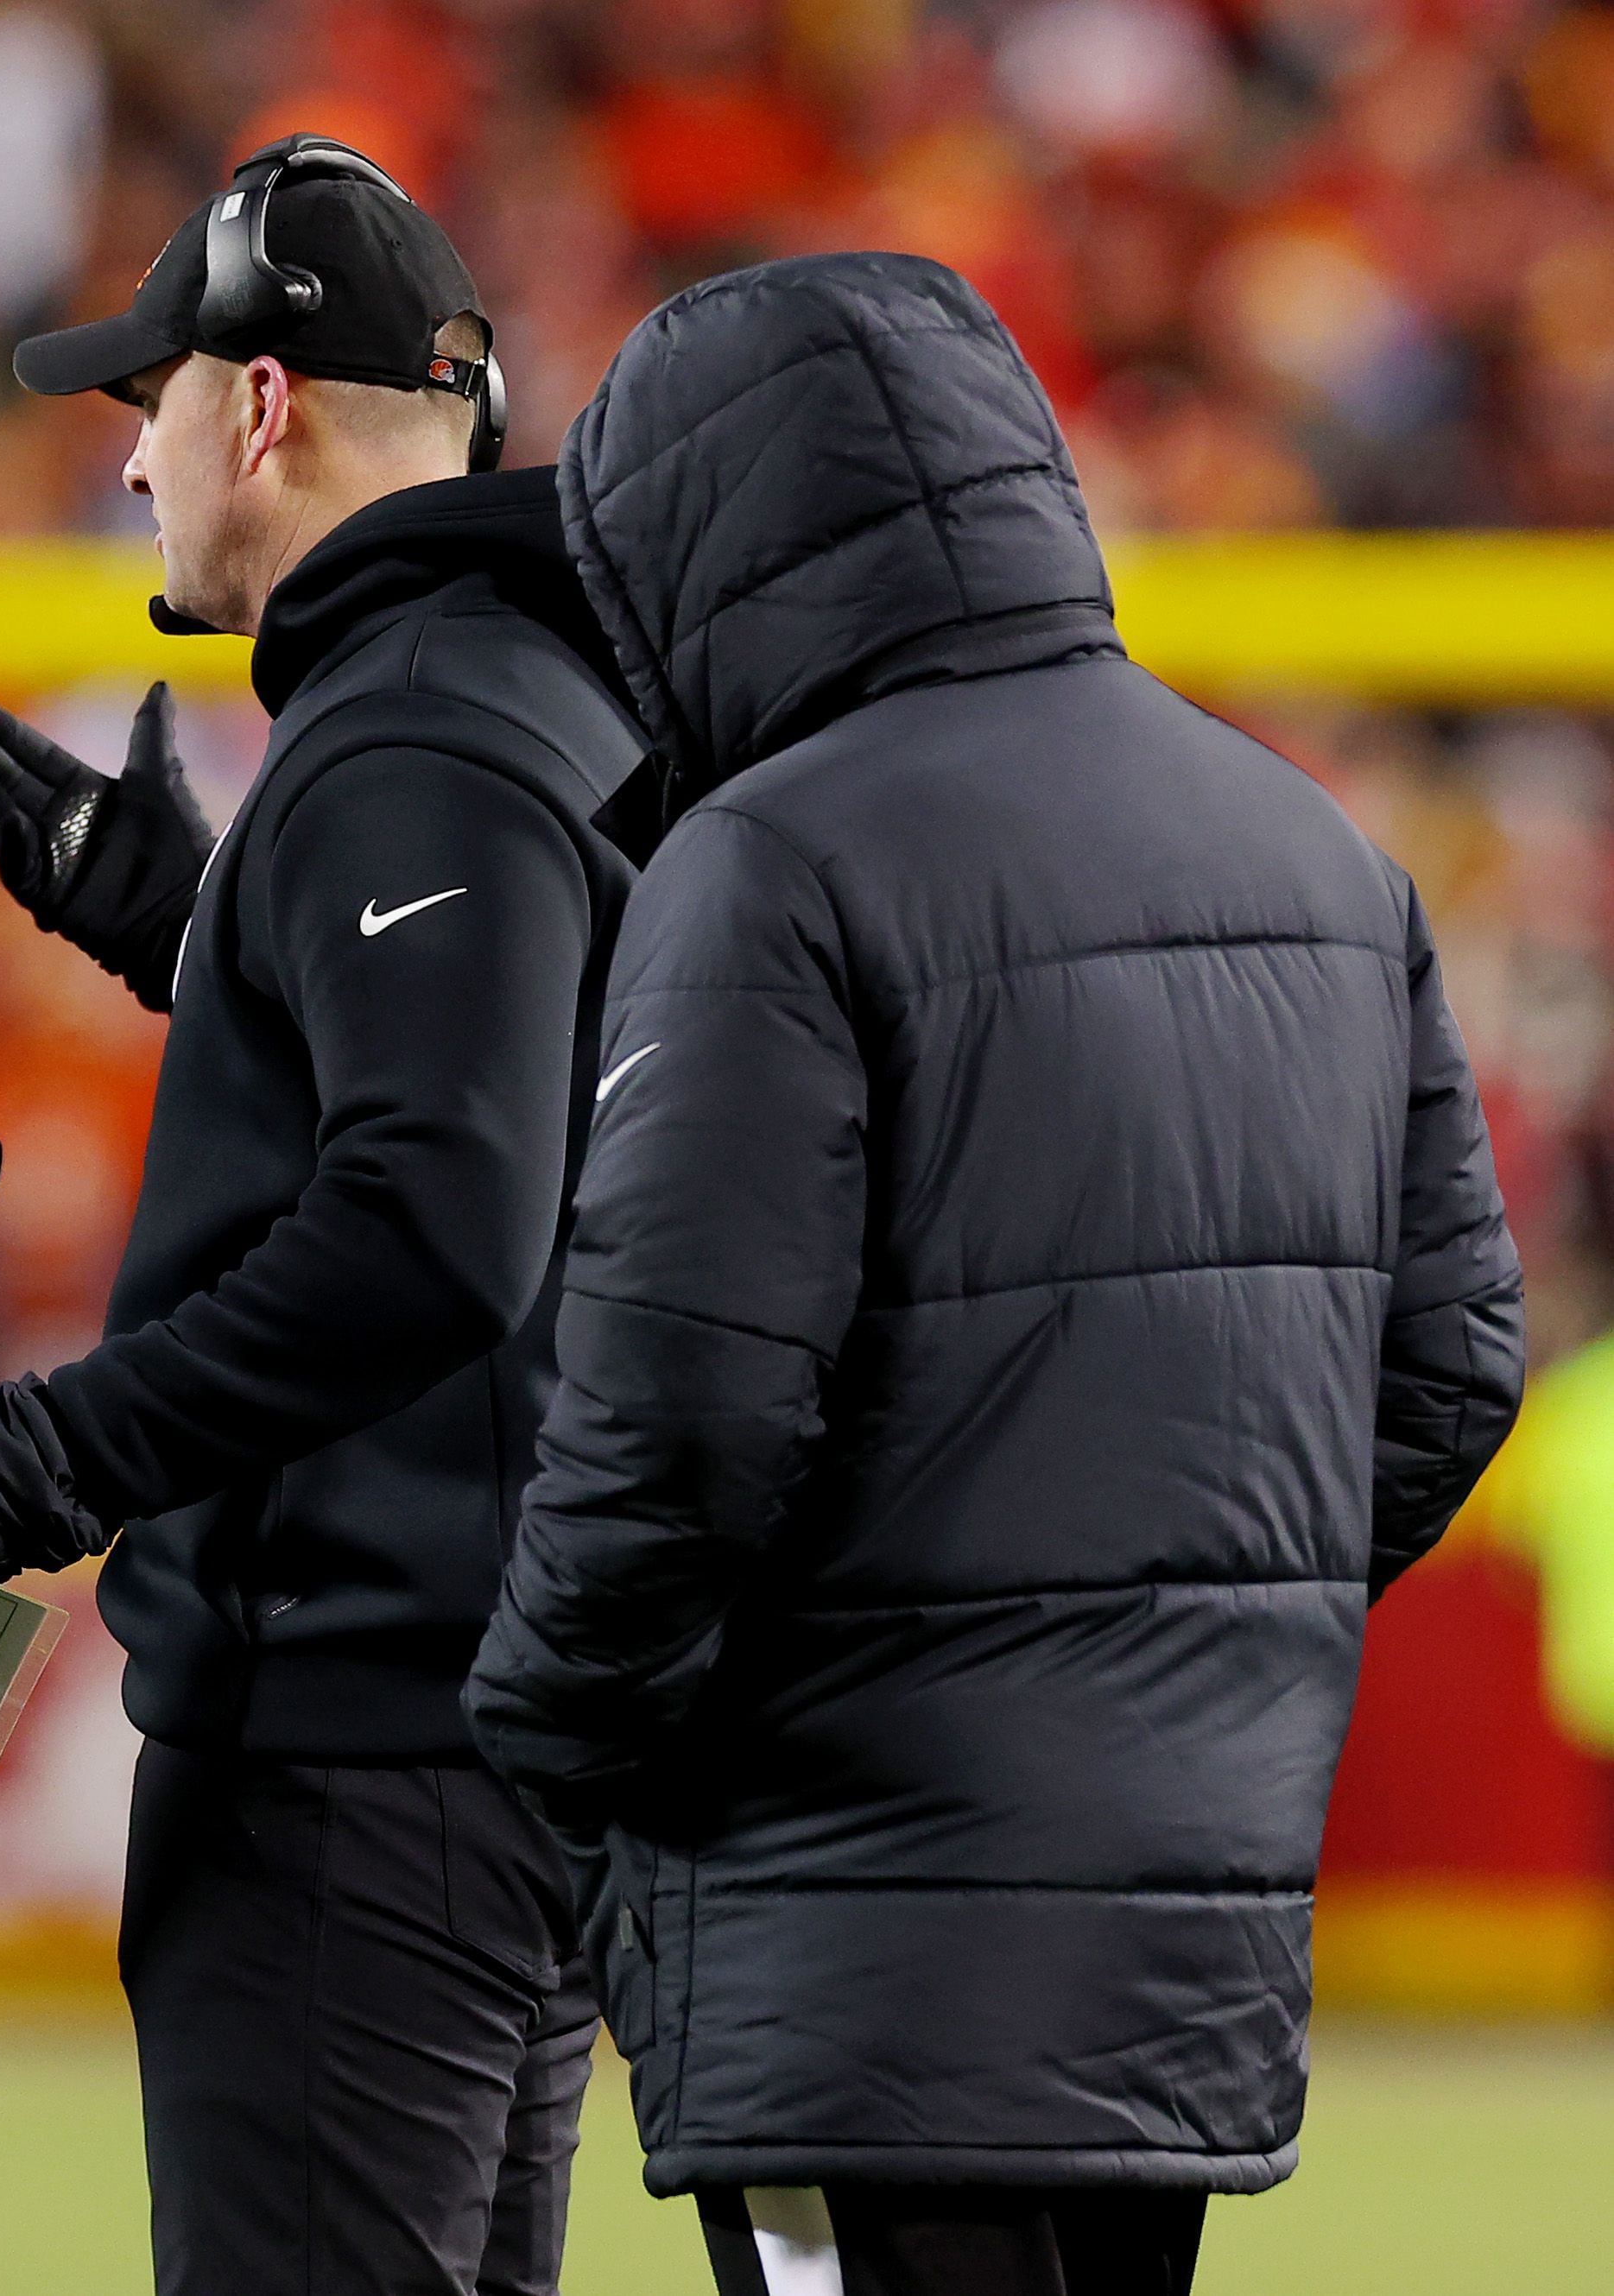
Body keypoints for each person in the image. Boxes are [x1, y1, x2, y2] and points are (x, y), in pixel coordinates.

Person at [465, 251, 1529, 2296]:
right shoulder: (1314, 848)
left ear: (696, 542)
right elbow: (1451, 1367)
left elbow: (679, 1415)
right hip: (1176, 1919)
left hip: (854, 1923)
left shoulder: (771, 855)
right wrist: (1164, 1649)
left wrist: (550, 1723)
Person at [0, 138, 655, 2296]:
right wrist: (207, 937)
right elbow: (535, 1126)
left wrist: (14, 1466)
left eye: (145, 407)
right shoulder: (552, 698)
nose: (130, 470)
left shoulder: (414, 737)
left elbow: (443, 1220)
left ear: (258, 403)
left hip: (360, 1764)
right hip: (505, 1721)